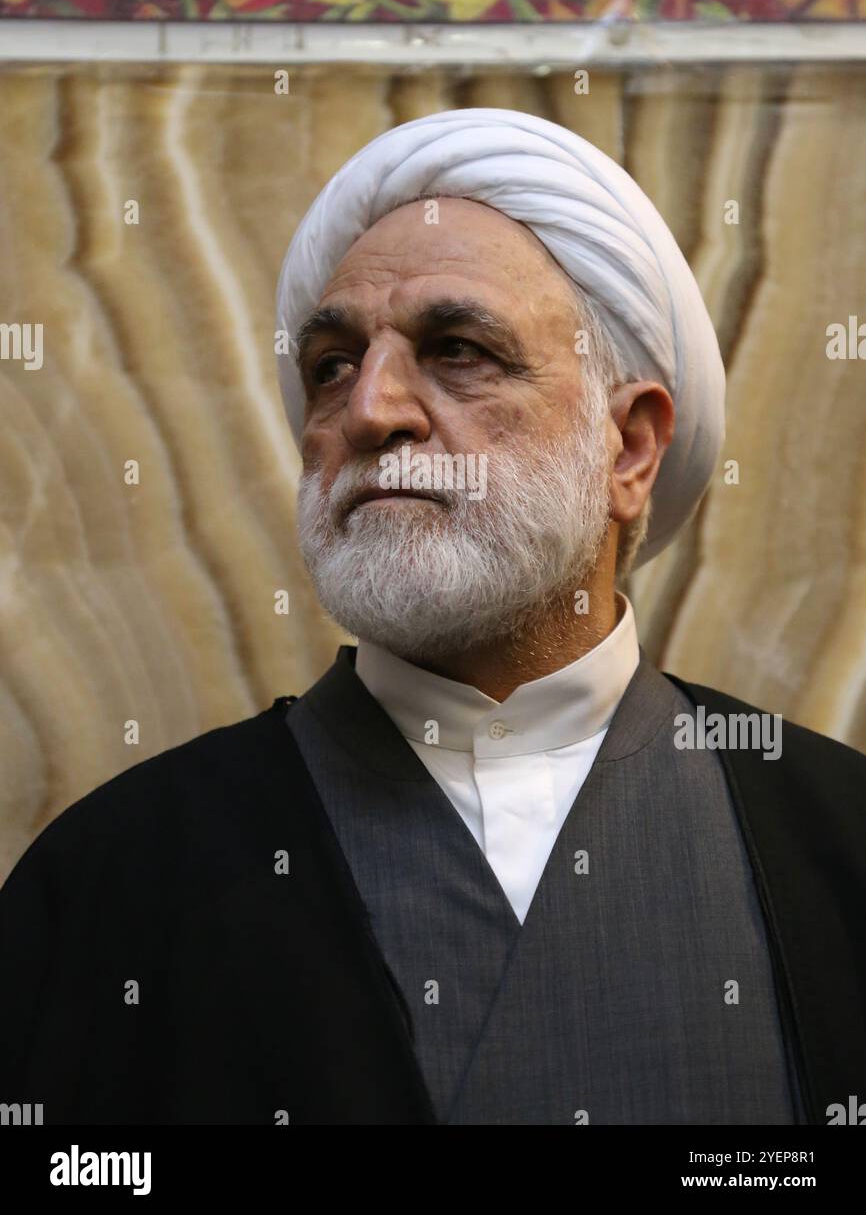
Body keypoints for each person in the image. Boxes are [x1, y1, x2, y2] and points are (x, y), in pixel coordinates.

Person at [1, 109, 863, 1126]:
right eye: (329, 364)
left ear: (627, 450)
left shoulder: (836, 842)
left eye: (456, 349)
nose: (369, 410)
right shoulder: (114, 877)